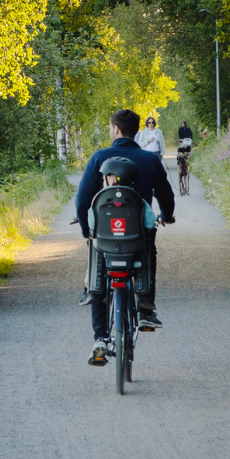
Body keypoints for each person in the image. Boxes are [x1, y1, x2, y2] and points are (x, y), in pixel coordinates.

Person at [77, 108, 175, 363]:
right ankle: (145, 308)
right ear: (135, 130)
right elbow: (166, 194)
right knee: (148, 252)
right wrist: (166, 215)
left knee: (96, 272)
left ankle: (100, 337)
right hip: (138, 237)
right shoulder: (150, 159)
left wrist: (87, 232)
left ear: (116, 130)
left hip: (105, 238)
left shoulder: (100, 157)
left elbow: (83, 200)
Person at [177, 121, 195, 195]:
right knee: (180, 151)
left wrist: (190, 139)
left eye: (183, 123)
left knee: (187, 153)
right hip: (182, 142)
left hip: (187, 142)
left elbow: (191, 135)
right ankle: (179, 164)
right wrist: (181, 139)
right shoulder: (180, 129)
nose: (182, 125)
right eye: (182, 124)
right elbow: (179, 135)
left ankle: (187, 165)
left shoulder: (188, 129)